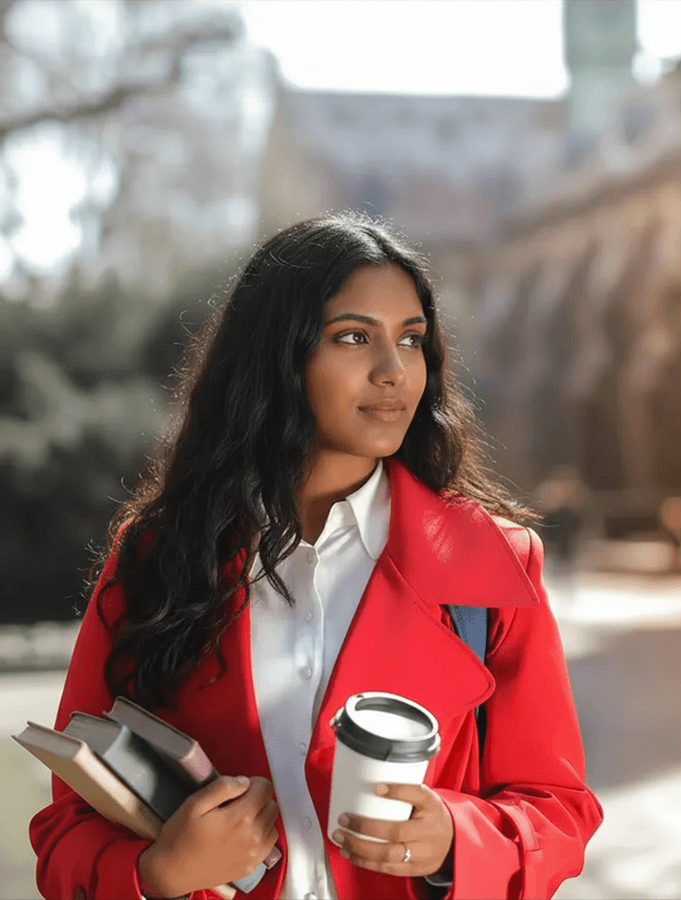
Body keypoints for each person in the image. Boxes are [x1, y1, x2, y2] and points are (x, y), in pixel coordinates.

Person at [29, 212, 602, 900]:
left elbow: (558, 809)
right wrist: (159, 874)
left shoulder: (493, 566)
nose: (394, 371)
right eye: (354, 337)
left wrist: (454, 837)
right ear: (279, 356)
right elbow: (66, 827)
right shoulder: (155, 559)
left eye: (412, 340)